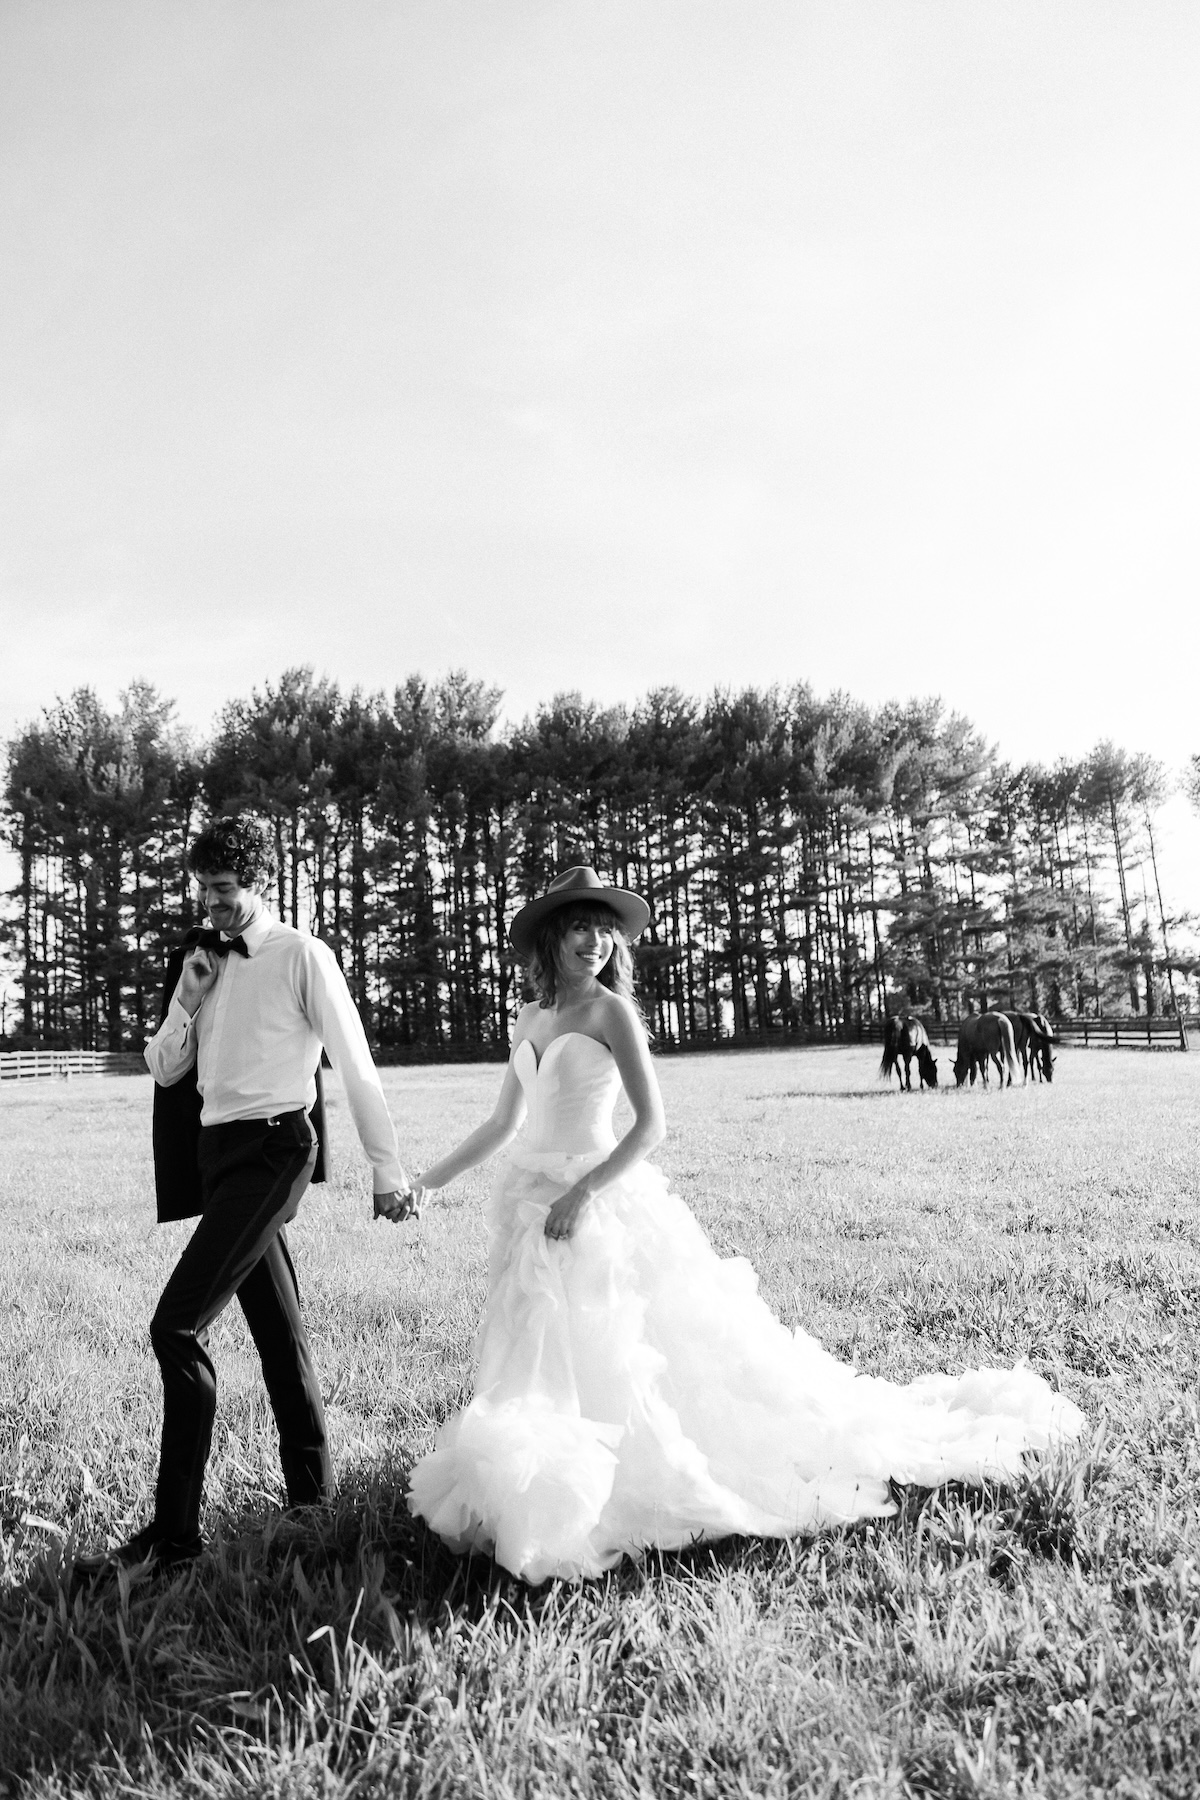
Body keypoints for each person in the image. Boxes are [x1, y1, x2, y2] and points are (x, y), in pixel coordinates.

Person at [406, 865, 1085, 1585]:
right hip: (531, 1202)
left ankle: (623, 1484)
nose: (596, 942)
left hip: (598, 1201)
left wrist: (584, 1193)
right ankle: (544, 1474)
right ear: (550, 936)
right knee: (543, 1345)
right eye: (580, 926)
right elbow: (503, 1122)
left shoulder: (613, 1015)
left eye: (606, 929)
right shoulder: (531, 1017)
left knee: (622, 1348)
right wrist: (427, 1182)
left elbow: (651, 1127)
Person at [82, 816, 416, 1577]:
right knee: (279, 1336)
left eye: (224, 890)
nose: (211, 904)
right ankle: (313, 1505)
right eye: (201, 889)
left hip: (275, 1148)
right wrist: (187, 1000)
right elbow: (165, 1069)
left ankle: (174, 1538)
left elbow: (355, 1062)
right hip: (217, 1156)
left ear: (258, 882)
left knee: (176, 1328)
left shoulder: (301, 955)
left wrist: (386, 1168)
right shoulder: (201, 961)